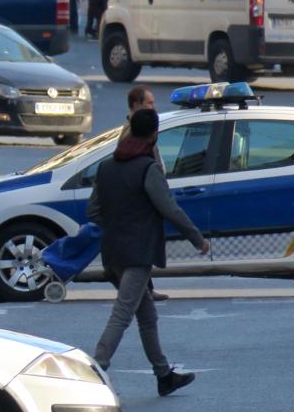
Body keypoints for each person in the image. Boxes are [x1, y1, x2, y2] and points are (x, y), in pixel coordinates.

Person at [88, 109, 210, 395]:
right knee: (122, 314)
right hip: (138, 254)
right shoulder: (147, 169)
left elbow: (92, 210)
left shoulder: (106, 167)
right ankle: (94, 368)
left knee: (147, 315)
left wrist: (116, 224)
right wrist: (197, 238)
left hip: (113, 252)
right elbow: (169, 208)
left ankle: (163, 374)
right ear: (154, 135)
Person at [117, 85, 170, 302]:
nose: (153, 107)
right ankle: (142, 290)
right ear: (136, 105)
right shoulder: (133, 132)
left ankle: (145, 288)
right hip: (141, 199)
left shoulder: (141, 127)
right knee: (142, 246)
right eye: (149, 103)